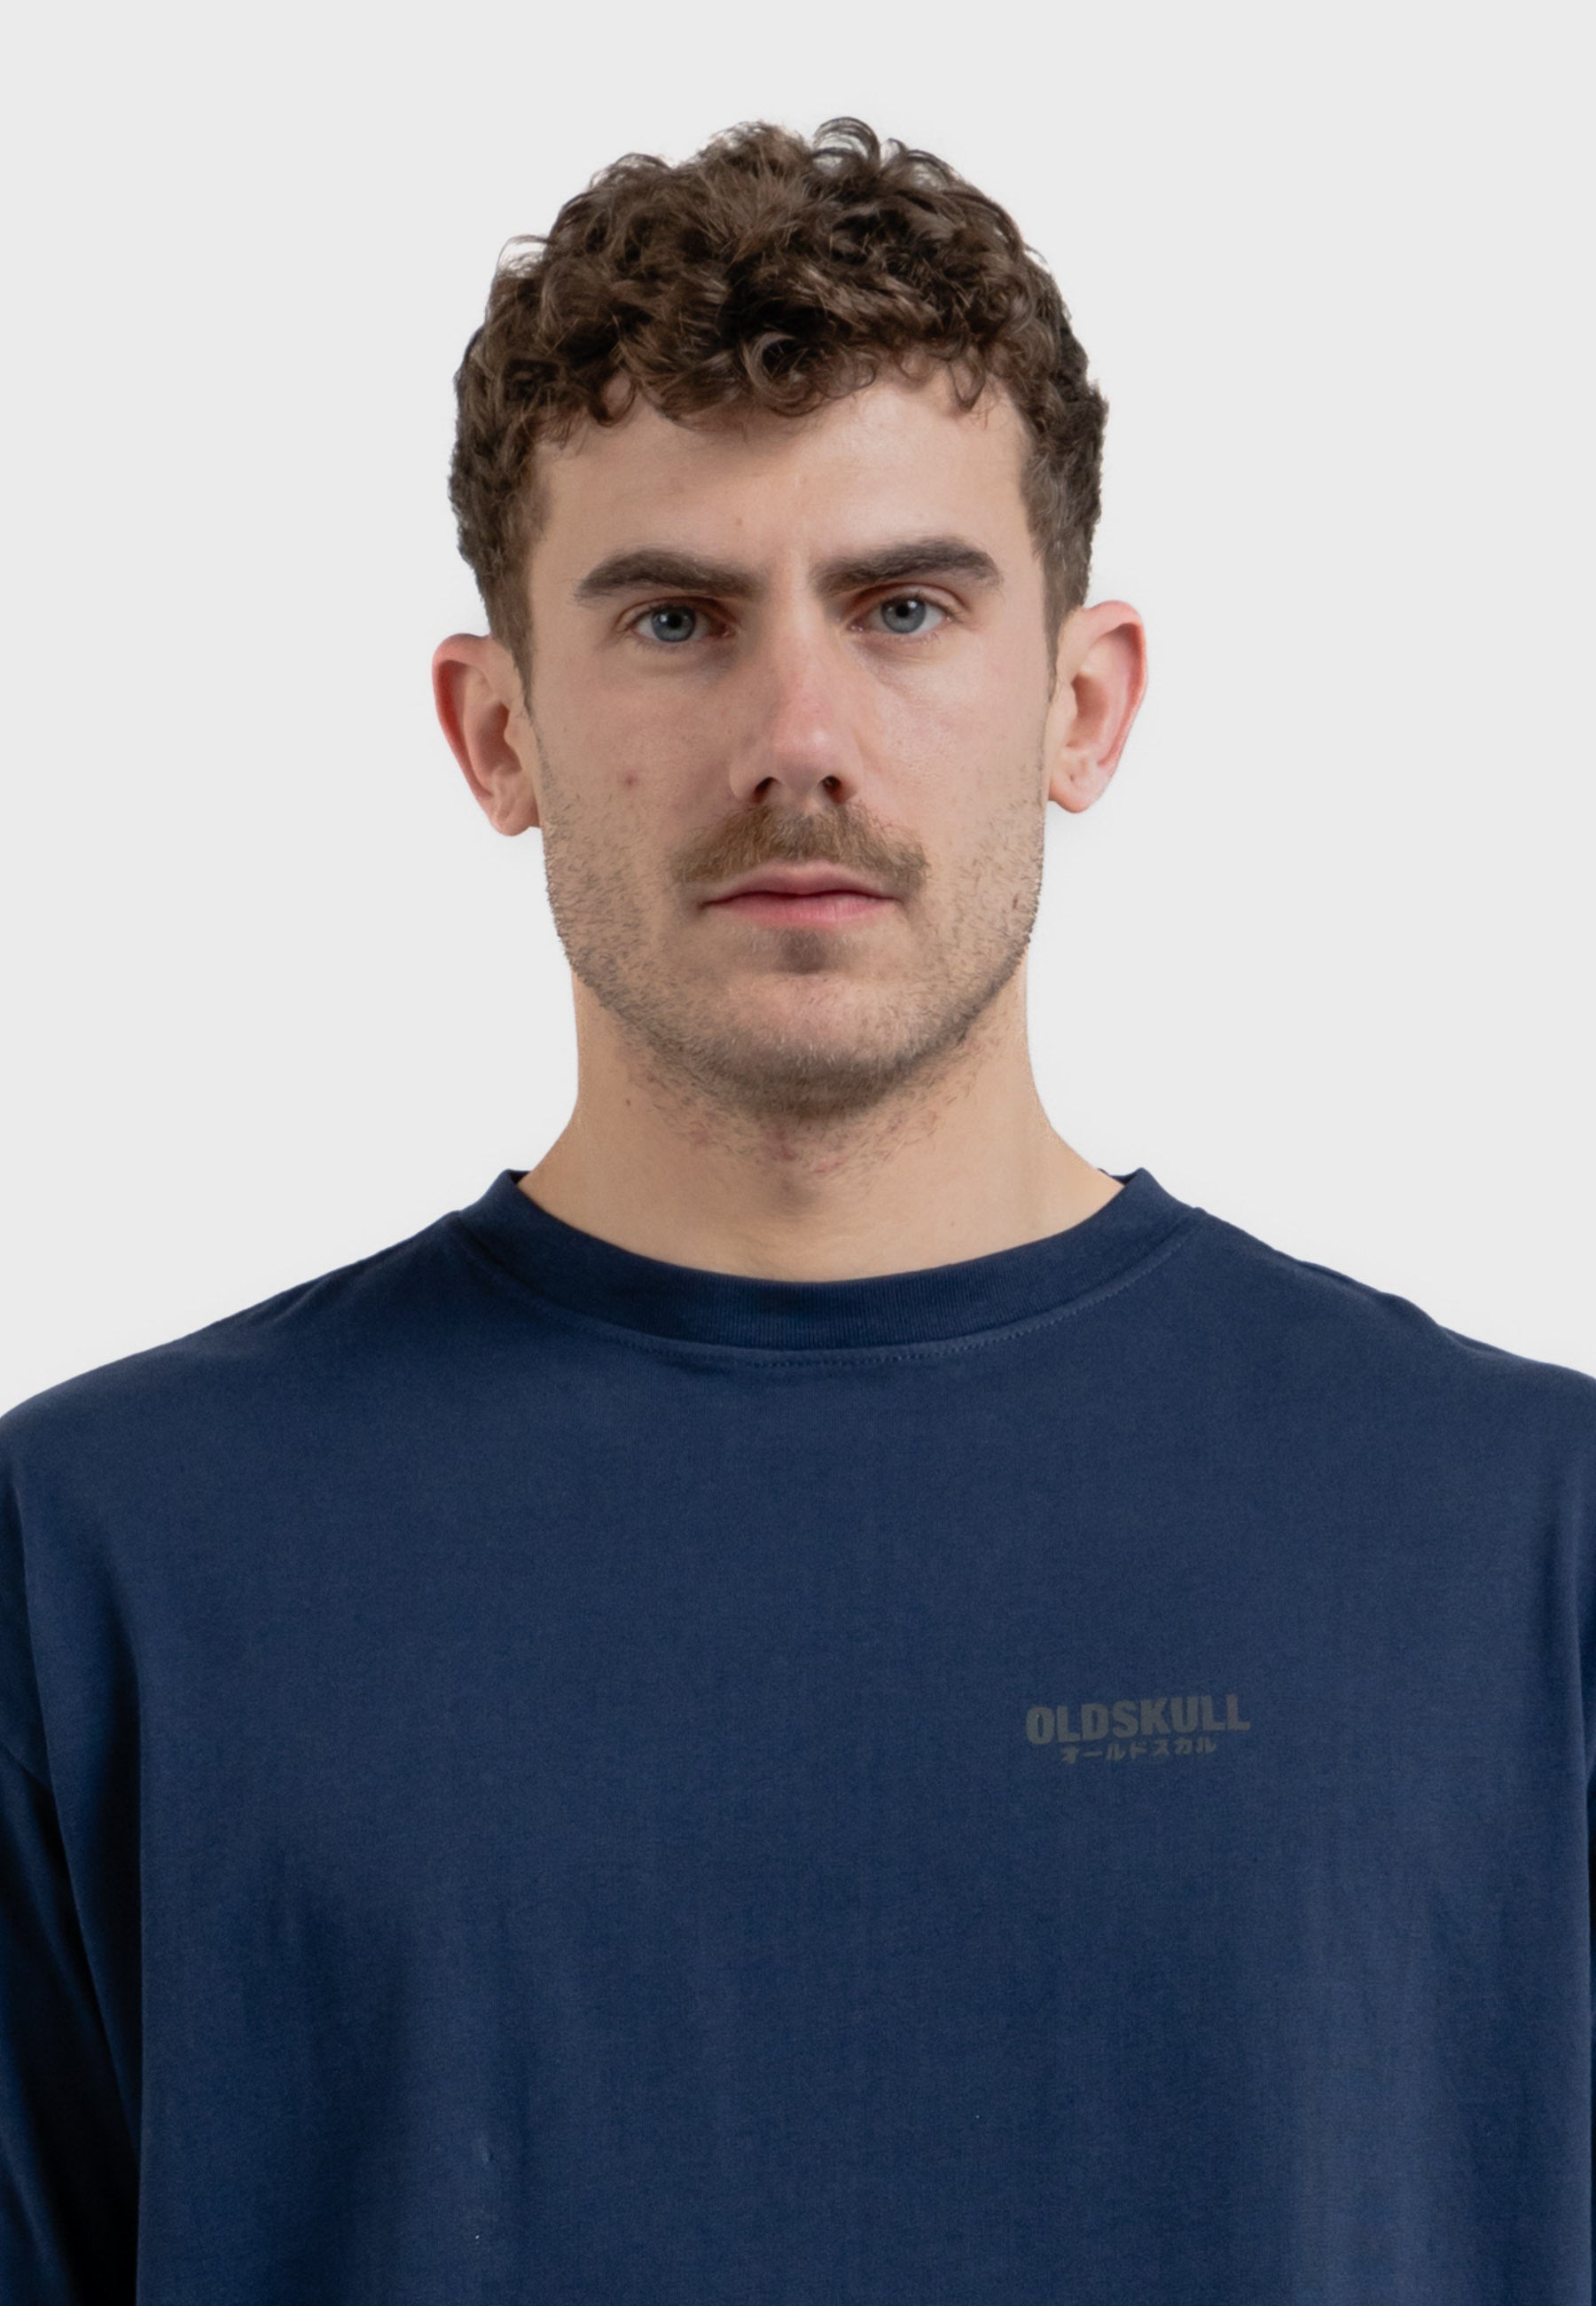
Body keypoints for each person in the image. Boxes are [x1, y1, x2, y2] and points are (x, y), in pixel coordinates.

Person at [2, 114, 1592, 2306]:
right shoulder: (102, 1572)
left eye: (904, 606)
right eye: (676, 618)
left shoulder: (1527, 1546)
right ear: (496, 733)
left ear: (1085, 704)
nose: (799, 736)